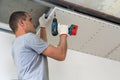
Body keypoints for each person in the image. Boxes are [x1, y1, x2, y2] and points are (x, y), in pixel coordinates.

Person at [9, 11, 68, 80]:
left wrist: (42, 26)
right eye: (30, 20)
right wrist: (63, 34)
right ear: (21, 23)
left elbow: (42, 49)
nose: (34, 24)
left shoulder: (16, 44)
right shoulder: (28, 38)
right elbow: (61, 55)